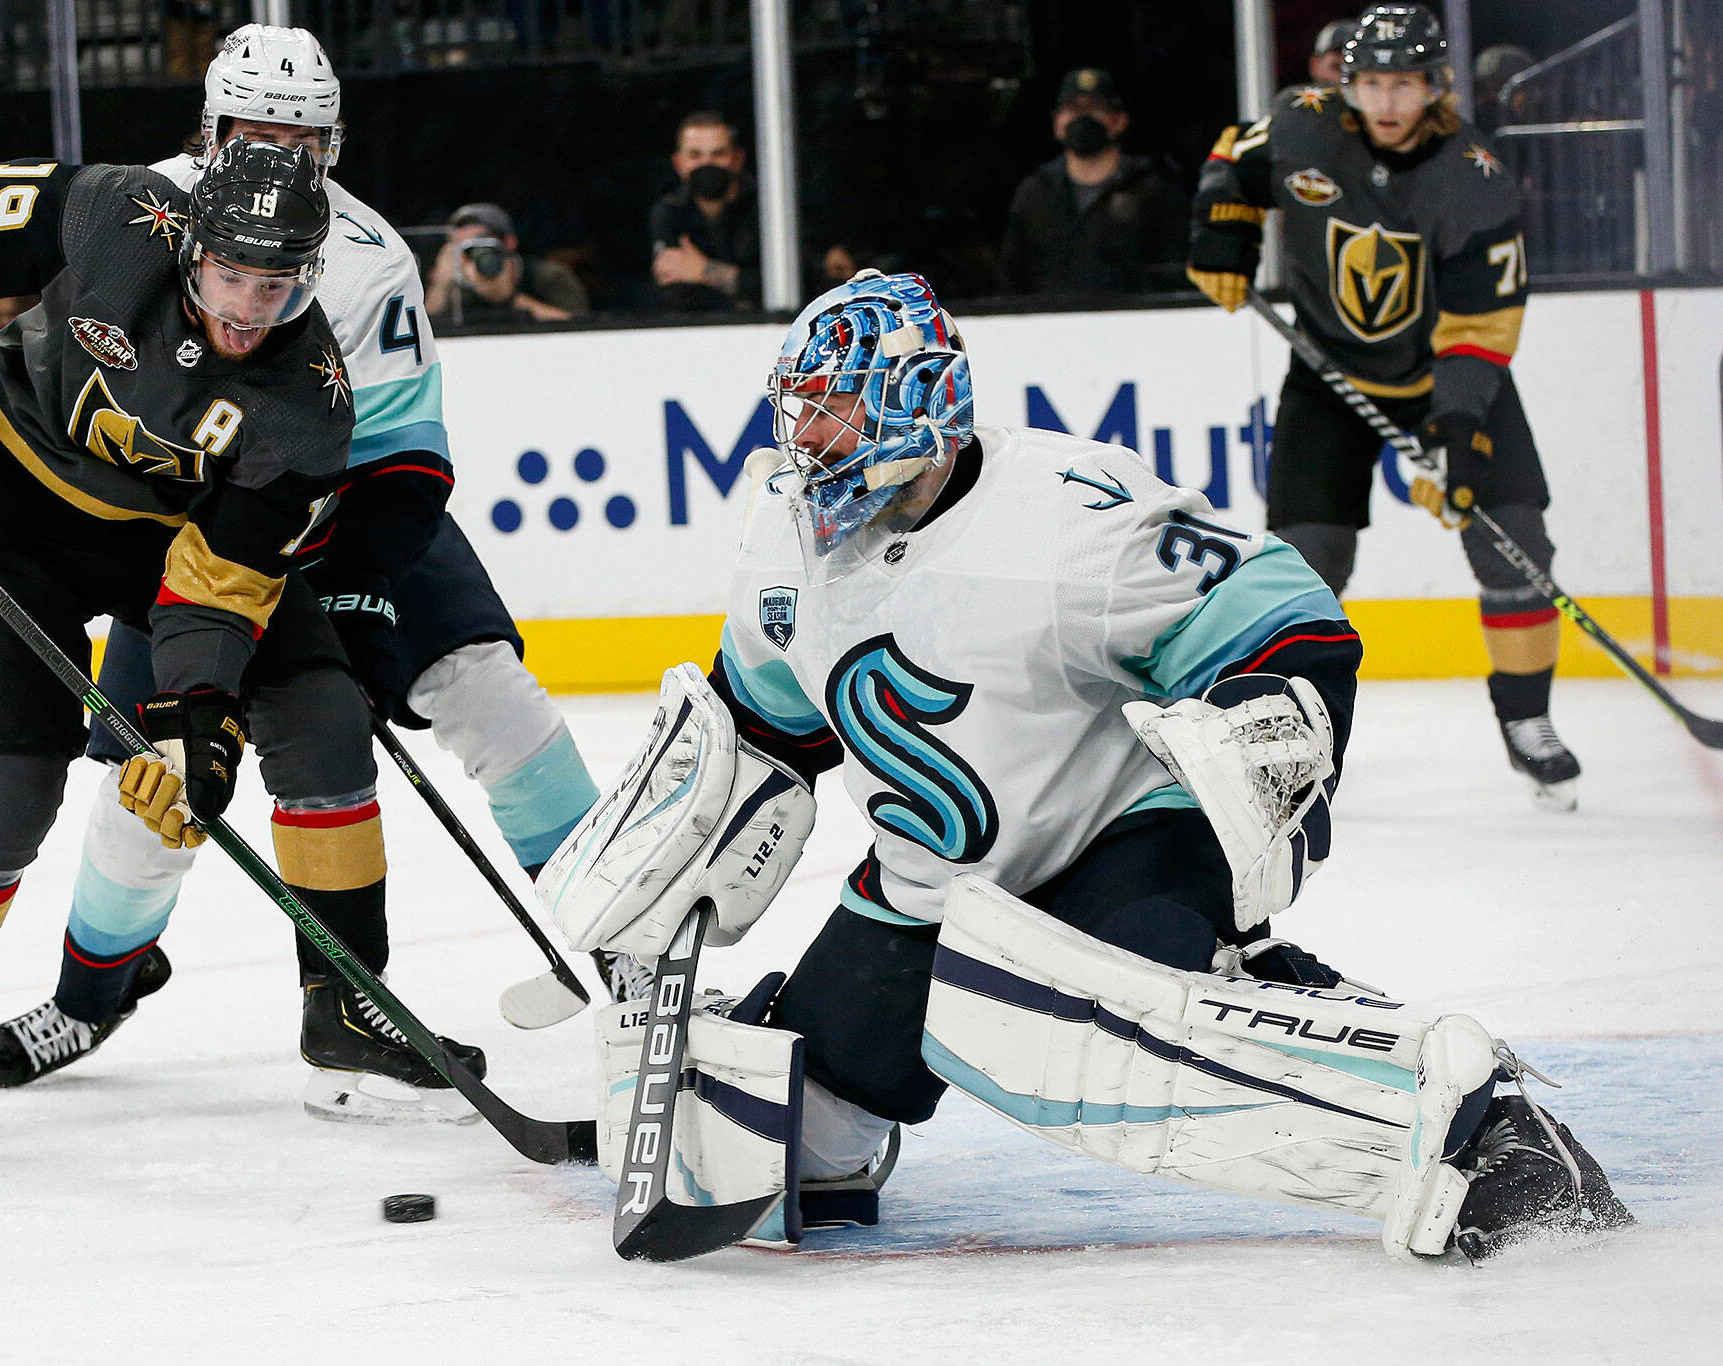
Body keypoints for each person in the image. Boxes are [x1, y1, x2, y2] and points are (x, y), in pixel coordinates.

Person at [542, 268, 1631, 1262]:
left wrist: (1264, 729)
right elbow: (763, 732)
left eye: (835, 408)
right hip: (929, 888)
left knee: (1079, 1030)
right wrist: (673, 875)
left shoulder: (1067, 512)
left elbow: (1281, 616)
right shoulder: (782, 543)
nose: (809, 438)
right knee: (770, 1141)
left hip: (1119, 844)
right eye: (801, 409)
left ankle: (1461, 1118)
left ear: (919, 401)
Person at [0, 24, 616, 1122]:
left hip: (344, 514)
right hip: (188, 537)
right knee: (154, 785)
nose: (282, 152)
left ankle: (633, 943)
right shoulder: (130, 208)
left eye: (304, 135)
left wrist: (357, 590)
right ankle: (93, 991)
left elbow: (406, 455)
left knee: (488, 694)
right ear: (211, 129)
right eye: (258, 130)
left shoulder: (367, 253)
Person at [0, 136, 465, 1139]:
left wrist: (194, 722)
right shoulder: (119, 213)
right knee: (3, 788)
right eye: (231, 276)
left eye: (275, 288)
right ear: (190, 247)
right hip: (15, 513)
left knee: (322, 717)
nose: (245, 311)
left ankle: (346, 1001)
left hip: (169, 546)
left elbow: (217, 586)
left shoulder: (307, 403)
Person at [1187, 3, 1581, 809]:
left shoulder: (1474, 177)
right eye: (1372, 84)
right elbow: (1233, 158)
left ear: (1435, 86)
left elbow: (1481, 323)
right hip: (1330, 376)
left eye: (1405, 84)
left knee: (1515, 542)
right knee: (1304, 560)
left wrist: (1460, 426)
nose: (1388, 103)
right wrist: (1221, 228)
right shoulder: (1301, 125)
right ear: (1348, 84)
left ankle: (1527, 720)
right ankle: (1297, 735)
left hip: (1450, 374)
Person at [997, 69, 1189, 296]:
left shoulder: (1154, 190)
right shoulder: (1034, 194)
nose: (1082, 117)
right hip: (1051, 326)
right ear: (1056, 123)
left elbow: (1175, 274)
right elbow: (1012, 279)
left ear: (1119, 121)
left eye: (1095, 108)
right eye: (1072, 109)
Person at [647, 111, 761, 312]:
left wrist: (703, 270)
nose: (707, 164)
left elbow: (789, 285)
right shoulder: (669, 212)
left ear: (737, 159)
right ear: (679, 163)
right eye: (695, 155)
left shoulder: (767, 210)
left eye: (718, 154)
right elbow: (673, 289)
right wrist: (737, 281)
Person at [424, 201, 591, 324]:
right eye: (462, 248)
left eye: (481, 245)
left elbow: (583, 328)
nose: (472, 255)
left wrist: (510, 298)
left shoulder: (548, 276)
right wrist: (440, 285)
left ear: (508, 242)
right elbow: (425, 331)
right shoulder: (456, 284)